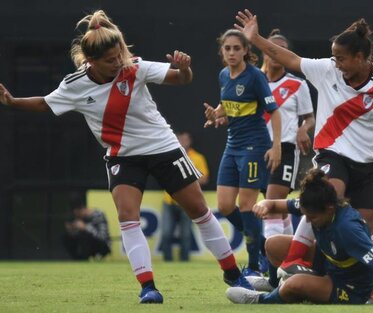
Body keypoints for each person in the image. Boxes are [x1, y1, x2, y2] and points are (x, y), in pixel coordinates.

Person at [0, 10, 252, 304]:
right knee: (127, 218)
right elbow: (46, 103)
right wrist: (12, 101)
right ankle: (148, 287)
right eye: (110, 59)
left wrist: (183, 68)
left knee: (199, 210)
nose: (119, 61)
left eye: (119, 53)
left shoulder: (135, 67)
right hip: (123, 156)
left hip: (163, 147)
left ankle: (234, 274)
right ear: (90, 61)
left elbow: (180, 79)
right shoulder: (75, 84)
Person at [235, 10, 373, 282]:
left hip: (369, 165)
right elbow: (291, 59)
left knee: (362, 228)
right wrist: (257, 39)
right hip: (333, 153)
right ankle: (295, 259)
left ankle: (359, 286)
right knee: (327, 195)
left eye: (342, 58)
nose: (336, 62)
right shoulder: (327, 70)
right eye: (334, 56)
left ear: (360, 57)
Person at [226, 169, 373, 305]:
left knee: (295, 284)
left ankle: (260, 299)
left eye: (312, 218)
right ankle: (274, 284)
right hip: (329, 263)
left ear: (329, 209)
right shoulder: (316, 203)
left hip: (350, 287)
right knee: (273, 244)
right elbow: (276, 204)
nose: (307, 220)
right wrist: (264, 204)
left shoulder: (347, 228)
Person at [203, 29, 282, 277]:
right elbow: (227, 105)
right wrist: (216, 115)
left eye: (237, 48)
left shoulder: (256, 76)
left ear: (246, 50)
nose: (232, 53)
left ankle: (255, 266)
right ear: (221, 51)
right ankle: (265, 251)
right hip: (232, 145)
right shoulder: (224, 75)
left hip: (254, 146)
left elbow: (275, 112)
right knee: (225, 206)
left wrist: (276, 145)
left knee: (246, 205)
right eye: (227, 48)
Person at [250, 28, 315, 290]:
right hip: (257, 149)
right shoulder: (254, 81)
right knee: (275, 211)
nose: (275, 55)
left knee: (270, 206)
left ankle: (273, 275)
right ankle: (289, 267)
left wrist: (303, 129)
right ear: (264, 50)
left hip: (286, 149)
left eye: (280, 50)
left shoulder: (297, 84)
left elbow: (309, 117)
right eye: (270, 48)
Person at [160, 132, 210, 261]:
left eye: (184, 139)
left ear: (190, 141)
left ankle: (184, 261)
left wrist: (185, 178)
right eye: (179, 139)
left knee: (186, 234)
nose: (182, 141)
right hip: (169, 200)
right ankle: (167, 262)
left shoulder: (198, 157)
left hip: (187, 201)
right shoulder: (168, 156)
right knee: (165, 234)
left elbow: (204, 178)